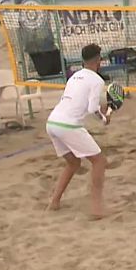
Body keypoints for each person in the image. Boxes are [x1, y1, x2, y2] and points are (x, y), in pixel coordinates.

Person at [46, 44, 112, 218]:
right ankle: (96, 209)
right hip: (69, 125)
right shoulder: (97, 80)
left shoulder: (75, 76)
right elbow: (91, 109)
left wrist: (101, 109)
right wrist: (104, 118)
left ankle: (54, 202)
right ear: (99, 60)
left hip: (52, 122)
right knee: (99, 161)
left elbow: (81, 102)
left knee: (73, 163)